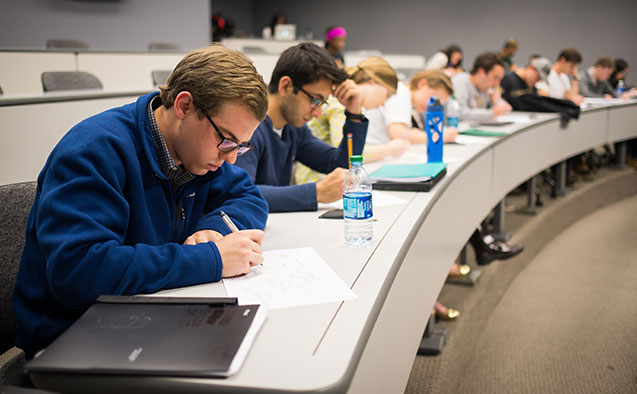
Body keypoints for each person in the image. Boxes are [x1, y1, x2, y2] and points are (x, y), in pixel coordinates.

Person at [13, 44, 270, 358]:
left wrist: (212, 230)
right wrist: (211, 259)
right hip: (71, 337)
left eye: (240, 147)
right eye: (227, 140)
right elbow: (80, 272)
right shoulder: (94, 150)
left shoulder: (198, 154)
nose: (230, 159)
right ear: (185, 105)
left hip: (149, 312)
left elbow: (248, 196)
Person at [234, 43, 367, 213]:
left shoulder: (293, 129)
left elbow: (340, 164)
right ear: (286, 86)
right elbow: (241, 194)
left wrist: (354, 114)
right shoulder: (248, 129)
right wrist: (316, 192)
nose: (318, 113)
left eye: (322, 103)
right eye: (315, 100)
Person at [295, 56, 409, 185]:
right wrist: (390, 149)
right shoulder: (339, 103)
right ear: (373, 82)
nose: (383, 103)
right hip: (318, 180)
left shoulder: (349, 104)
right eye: (387, 95)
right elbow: (348, 154)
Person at [365, 69, 458, 146]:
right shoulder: (401, 92)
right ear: (422, 84)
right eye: (434, 97)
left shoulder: (408, 99)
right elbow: (397, 133)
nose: (434, 105)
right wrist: (438, 137)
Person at [451, 51, 512, 121]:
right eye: (495, 77)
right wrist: (492, 113)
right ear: (481, 71)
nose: (497, 84)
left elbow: (505, 108)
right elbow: (460, 113)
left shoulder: (486, 88)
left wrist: (496, 102)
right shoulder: (460, 82)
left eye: (499, 79)